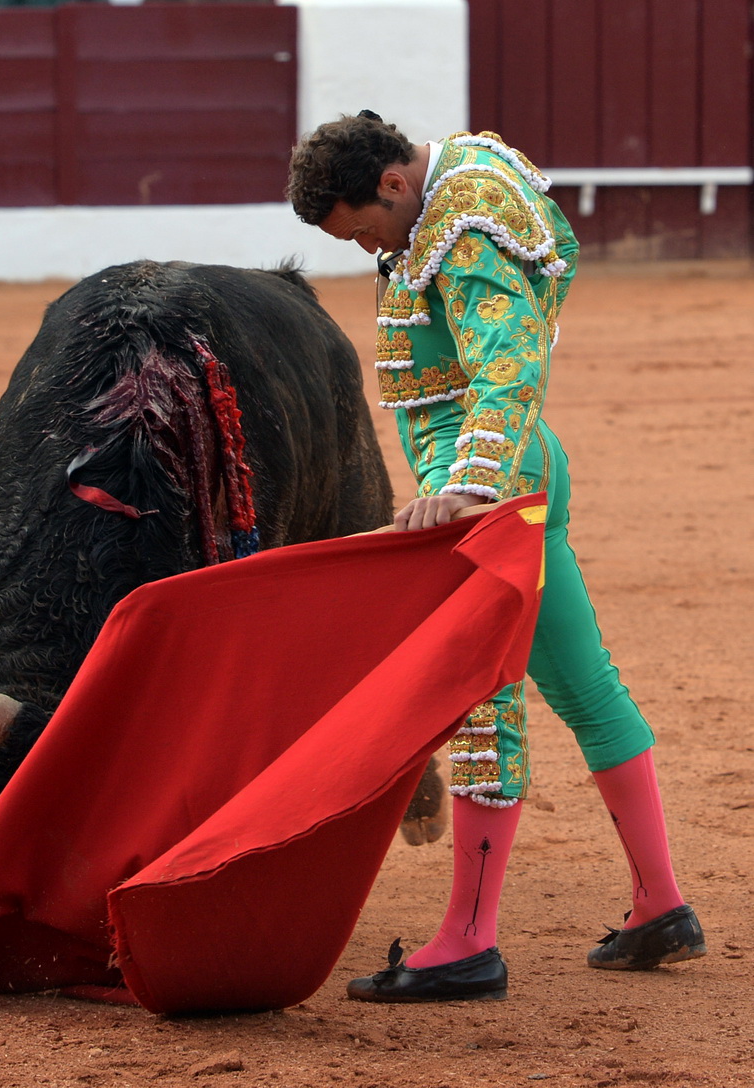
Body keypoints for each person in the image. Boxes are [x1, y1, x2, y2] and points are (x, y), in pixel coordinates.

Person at [285, 112, 706, 1003]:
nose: (370, 249)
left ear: (394, 185)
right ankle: (659, 904)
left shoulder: (466, 215)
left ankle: (468, 941)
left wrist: (472, 487)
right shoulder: (460, 178)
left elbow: (508, 363)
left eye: (364, 229)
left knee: (481, 703)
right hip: (516, 468)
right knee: (587, 688)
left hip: (488, 481)